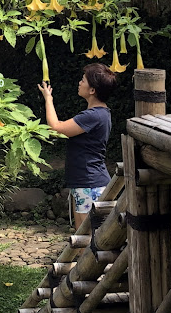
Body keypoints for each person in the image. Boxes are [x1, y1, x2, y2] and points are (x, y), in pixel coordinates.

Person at [38, 63, 117, 229]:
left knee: (85, 235)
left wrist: (48, 99)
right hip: (88, 181)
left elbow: (55, 129)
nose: (79, 83)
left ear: (92, 90)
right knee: (83, 234)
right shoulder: (100, 114)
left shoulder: (92, 116)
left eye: (83, 80)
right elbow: (61, 126)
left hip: (89, 183)